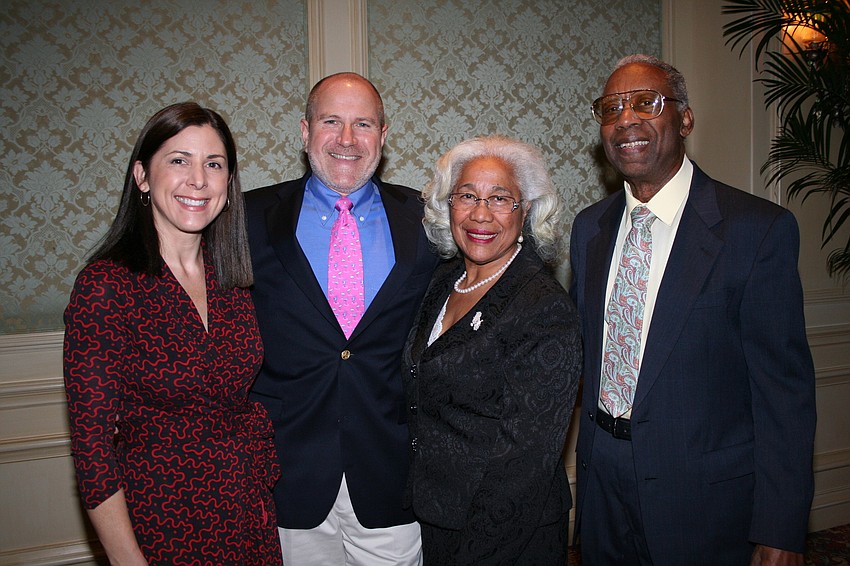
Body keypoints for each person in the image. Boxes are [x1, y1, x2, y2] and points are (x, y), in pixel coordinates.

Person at [569, 54, 817, 565]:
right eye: (612, 108)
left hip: (705, 502)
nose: (627, 119)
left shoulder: (755, 230)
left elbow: (783, 395)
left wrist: (781, 527)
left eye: (646, 102)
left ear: (684, 118)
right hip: (603, 488)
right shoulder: (588, 229)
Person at [63, 102, 281, 565]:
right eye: (179, 160)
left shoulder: (231, 279)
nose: (198, 180)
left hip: (246, 518)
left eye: (214, 164)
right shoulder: (107, 287)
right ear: (142, 176)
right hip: (161, 526)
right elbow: (93, 454)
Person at [245, 72, 439, 565]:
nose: (348, 140)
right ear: (305, 131)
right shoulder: (246, 218)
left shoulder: (429, 220)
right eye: (332, 121)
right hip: (288, 476)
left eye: (363, 124)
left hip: (393, 475)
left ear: (384, 135)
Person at [402, 135, 581, 564]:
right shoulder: (445, 281)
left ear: (527, 210)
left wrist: (475, 553)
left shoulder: (542, 307)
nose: (481, 214)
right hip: (438, 516)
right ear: (448, 205)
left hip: (505, 536)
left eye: (501, 199)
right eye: (467, 195)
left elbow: (524, 461)